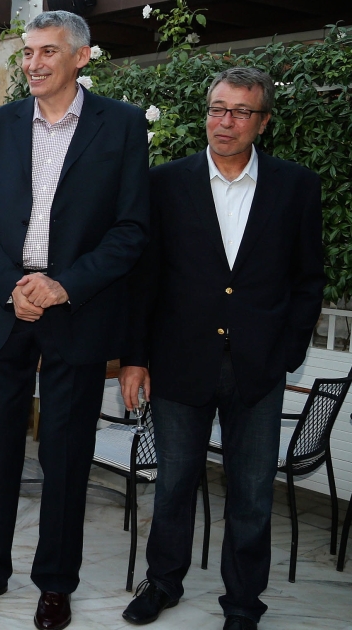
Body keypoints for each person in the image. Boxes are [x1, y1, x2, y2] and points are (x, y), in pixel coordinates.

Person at [0, 11, 150, 630]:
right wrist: (13, 287)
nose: (33, 63)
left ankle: (56, 583)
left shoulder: (121, 125)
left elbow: (131, 229)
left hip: (77, 312)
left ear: (81, 57)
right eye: (28, 52)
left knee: (65, 456)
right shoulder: (1, 124)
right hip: (9, 307)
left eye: (47, 52)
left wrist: (63, 286)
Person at [119, 67, 324, 630]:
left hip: (258, 368)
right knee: (174, 484)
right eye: (217, 108)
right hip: (180, 362)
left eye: (239, 111)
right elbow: (144, 280)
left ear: (263, 121)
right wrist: (135, 358)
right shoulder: (165, 183)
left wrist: (285, 353)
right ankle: (163, 582)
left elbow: (308, 279)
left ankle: (242, 603)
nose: (224, 121)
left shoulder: (296, 186)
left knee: (253, 493)